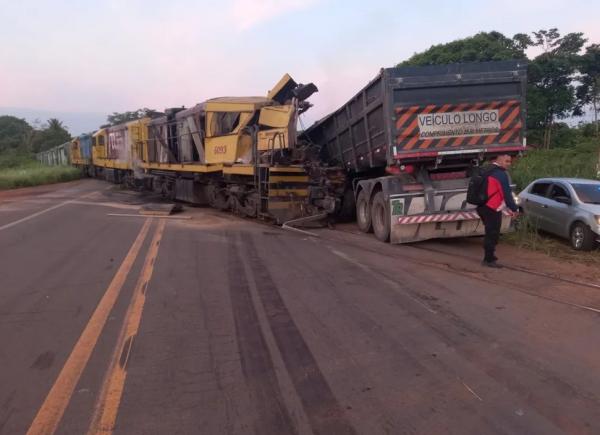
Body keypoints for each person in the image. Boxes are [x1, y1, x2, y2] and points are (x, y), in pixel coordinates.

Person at [476, 154, 519, 268]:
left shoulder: (486, 170)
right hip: (492, 208)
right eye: (506, 161)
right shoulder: (500, 174)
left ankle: (490, 257)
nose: (509, 164)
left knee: (490, 232)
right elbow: (507, 194)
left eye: (510, 162)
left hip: (482, 206)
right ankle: (488, 260)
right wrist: (514, 209)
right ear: (499, 160)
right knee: (492, 234)